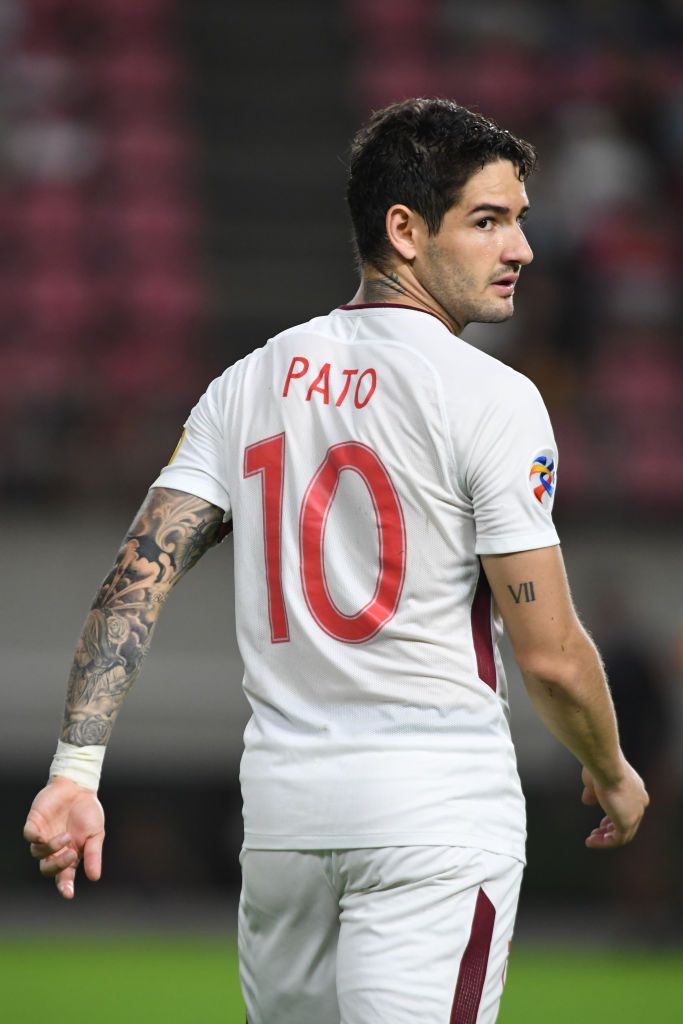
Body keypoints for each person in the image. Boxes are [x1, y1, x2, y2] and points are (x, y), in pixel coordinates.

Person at [24, 98, 649, 1024]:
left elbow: (133, 582)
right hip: (434, 822)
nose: (519, 248)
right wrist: (612, 766)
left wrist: (75, 771)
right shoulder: (492, 397)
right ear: (402, 230)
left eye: (517, 220)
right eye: (488, 220)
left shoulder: (248, 382)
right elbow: (550, 653)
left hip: (283, 828)